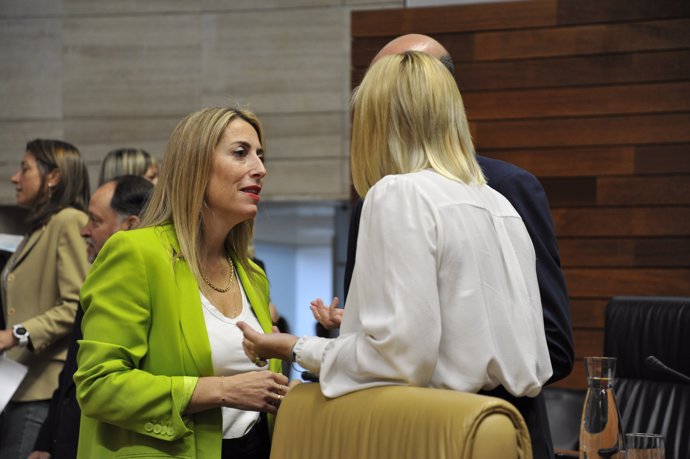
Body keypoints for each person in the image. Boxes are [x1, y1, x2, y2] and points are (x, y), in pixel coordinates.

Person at [239, 50, 552, 432]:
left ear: (377, 123)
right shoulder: (500, 205)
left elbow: (397, 361)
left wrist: (292, 347)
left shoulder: (398, 193)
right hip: (509, 428)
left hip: (436, 430)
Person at [314, 34, 575, 459]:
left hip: (482, 431)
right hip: (409, 429)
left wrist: (303, 349)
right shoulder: (373, 201)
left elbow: (554, 347)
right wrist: (362, 327)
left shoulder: (506, 191)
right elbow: (394, 342)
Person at [74, 107, 288, 459]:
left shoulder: (252, 275)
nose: (260, 169)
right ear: (196, 165)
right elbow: (98, 386)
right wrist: (222, 390)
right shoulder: (136, 254)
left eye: (261, 156)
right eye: (241, 153)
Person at [27, 175, 153, 459]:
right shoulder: (96, 283)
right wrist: (46, 441)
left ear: (129, 226)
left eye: (95, 221)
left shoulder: (151, 291)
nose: (84, 231)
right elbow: (70, 374)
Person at [0, 139, 90, 459]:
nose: (14, 177)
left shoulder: (69, 221)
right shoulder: (39, 227)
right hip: (20, 385)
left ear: (53, 177)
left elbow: (76, 305)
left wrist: (15, 335)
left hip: (44, 385)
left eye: (24, 169)